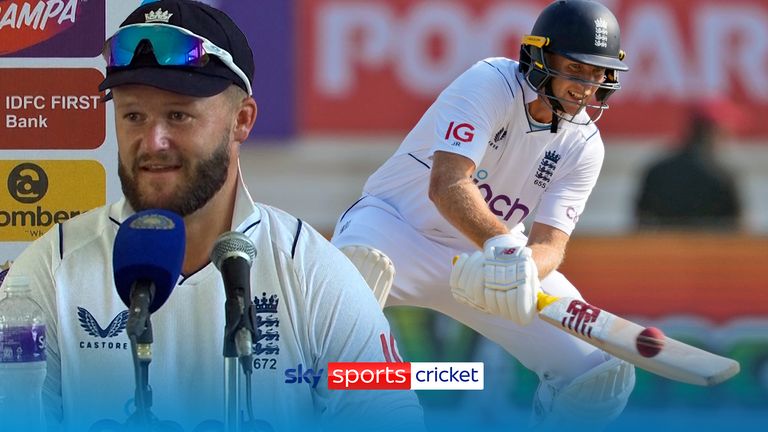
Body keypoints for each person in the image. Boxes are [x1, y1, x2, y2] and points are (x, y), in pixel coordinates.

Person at [0, 1, 424, 431]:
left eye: (178, 115)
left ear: (242, 120)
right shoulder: (51, 270)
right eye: (133, 116)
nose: (153, 140)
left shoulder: (314, 272)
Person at [332, 0, 635, 429]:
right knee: (346, 286)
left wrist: (525, 268)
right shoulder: (490, 82)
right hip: (394, 229)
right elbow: (448, 184)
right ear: (541, 58)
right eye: (576, 68)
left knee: (599, 377)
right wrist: (506, 248)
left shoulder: (586, 145)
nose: (585, 86)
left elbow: (551, 243)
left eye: (596, 73)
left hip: (486, 262)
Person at [635, 100, 743, 230]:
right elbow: (737, 230)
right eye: (724, 130)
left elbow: (640, 224)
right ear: (710, 131)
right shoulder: (721, 176)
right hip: (709, 249)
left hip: (663, 248)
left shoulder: (657, 171)